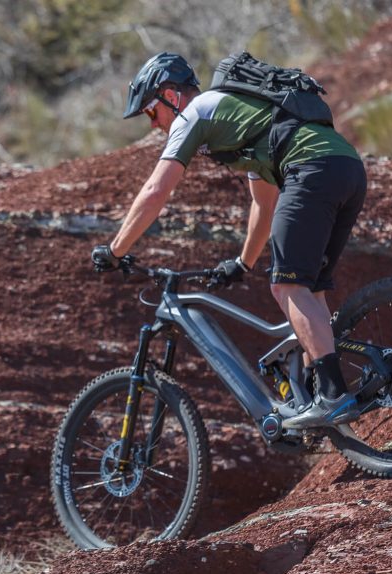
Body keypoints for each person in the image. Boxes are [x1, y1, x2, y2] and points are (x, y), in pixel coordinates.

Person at [91, 52, 368, 429]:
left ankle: (334, 397)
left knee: (287, 287)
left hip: (311, 169)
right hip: (346, 168)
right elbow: (263, 203)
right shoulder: (240, 118)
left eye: (151, 112)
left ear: (171, 95)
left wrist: (115, 250)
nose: (152, 124)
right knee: (310, 289)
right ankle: (323, 401)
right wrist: (243, 262)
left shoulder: (197, 113)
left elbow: (156, 190)